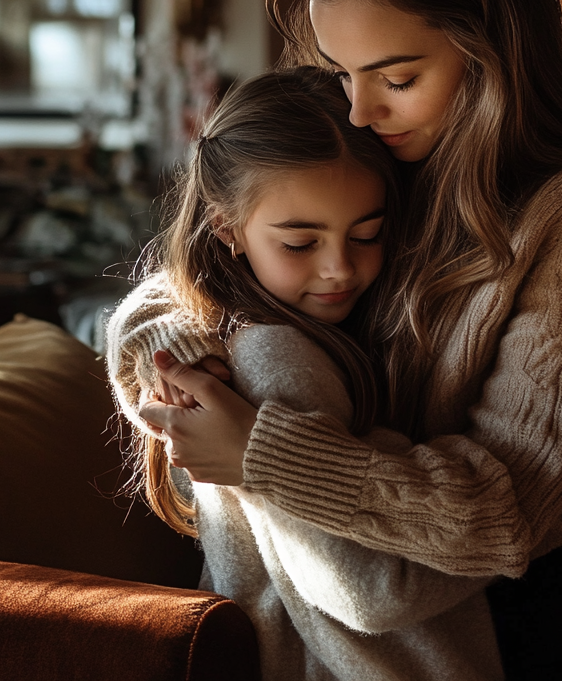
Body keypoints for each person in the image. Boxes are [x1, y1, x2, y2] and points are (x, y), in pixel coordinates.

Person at [116, 0, 562, 680]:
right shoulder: (375, 142)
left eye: (397, 76)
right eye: (340, 72)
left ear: (491, 46)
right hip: (347, 589)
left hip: (524, 607)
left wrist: (260, 452)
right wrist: (175, 354)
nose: (359, 110)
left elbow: (506, 511)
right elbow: (200, 260)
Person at [107, 66, 505, 681]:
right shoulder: (275, 360)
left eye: (368, 233)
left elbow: (157, 301)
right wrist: (519, 512)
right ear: (227, 229)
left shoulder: (243, 321)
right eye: (300, 244)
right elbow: (374, 588)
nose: (340, 269)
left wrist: (163, 339)